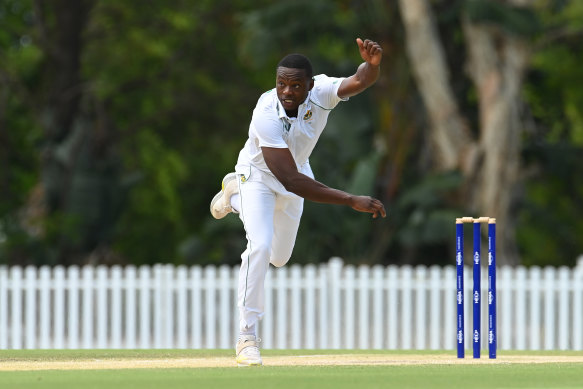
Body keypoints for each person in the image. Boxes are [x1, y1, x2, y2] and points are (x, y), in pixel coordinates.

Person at [210, 38, 387, 366]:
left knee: (278, 258)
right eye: (281, 84)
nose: (287, 91)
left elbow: (360, 81)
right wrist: (350, 199)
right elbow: (288, 178)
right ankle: (247, 337)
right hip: (260, 177)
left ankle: (232, 198)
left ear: (310, 85)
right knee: (259, 248)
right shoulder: (266, 112)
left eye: (295, 85)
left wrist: (372, 65)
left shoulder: (322, 92)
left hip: (297, 176)